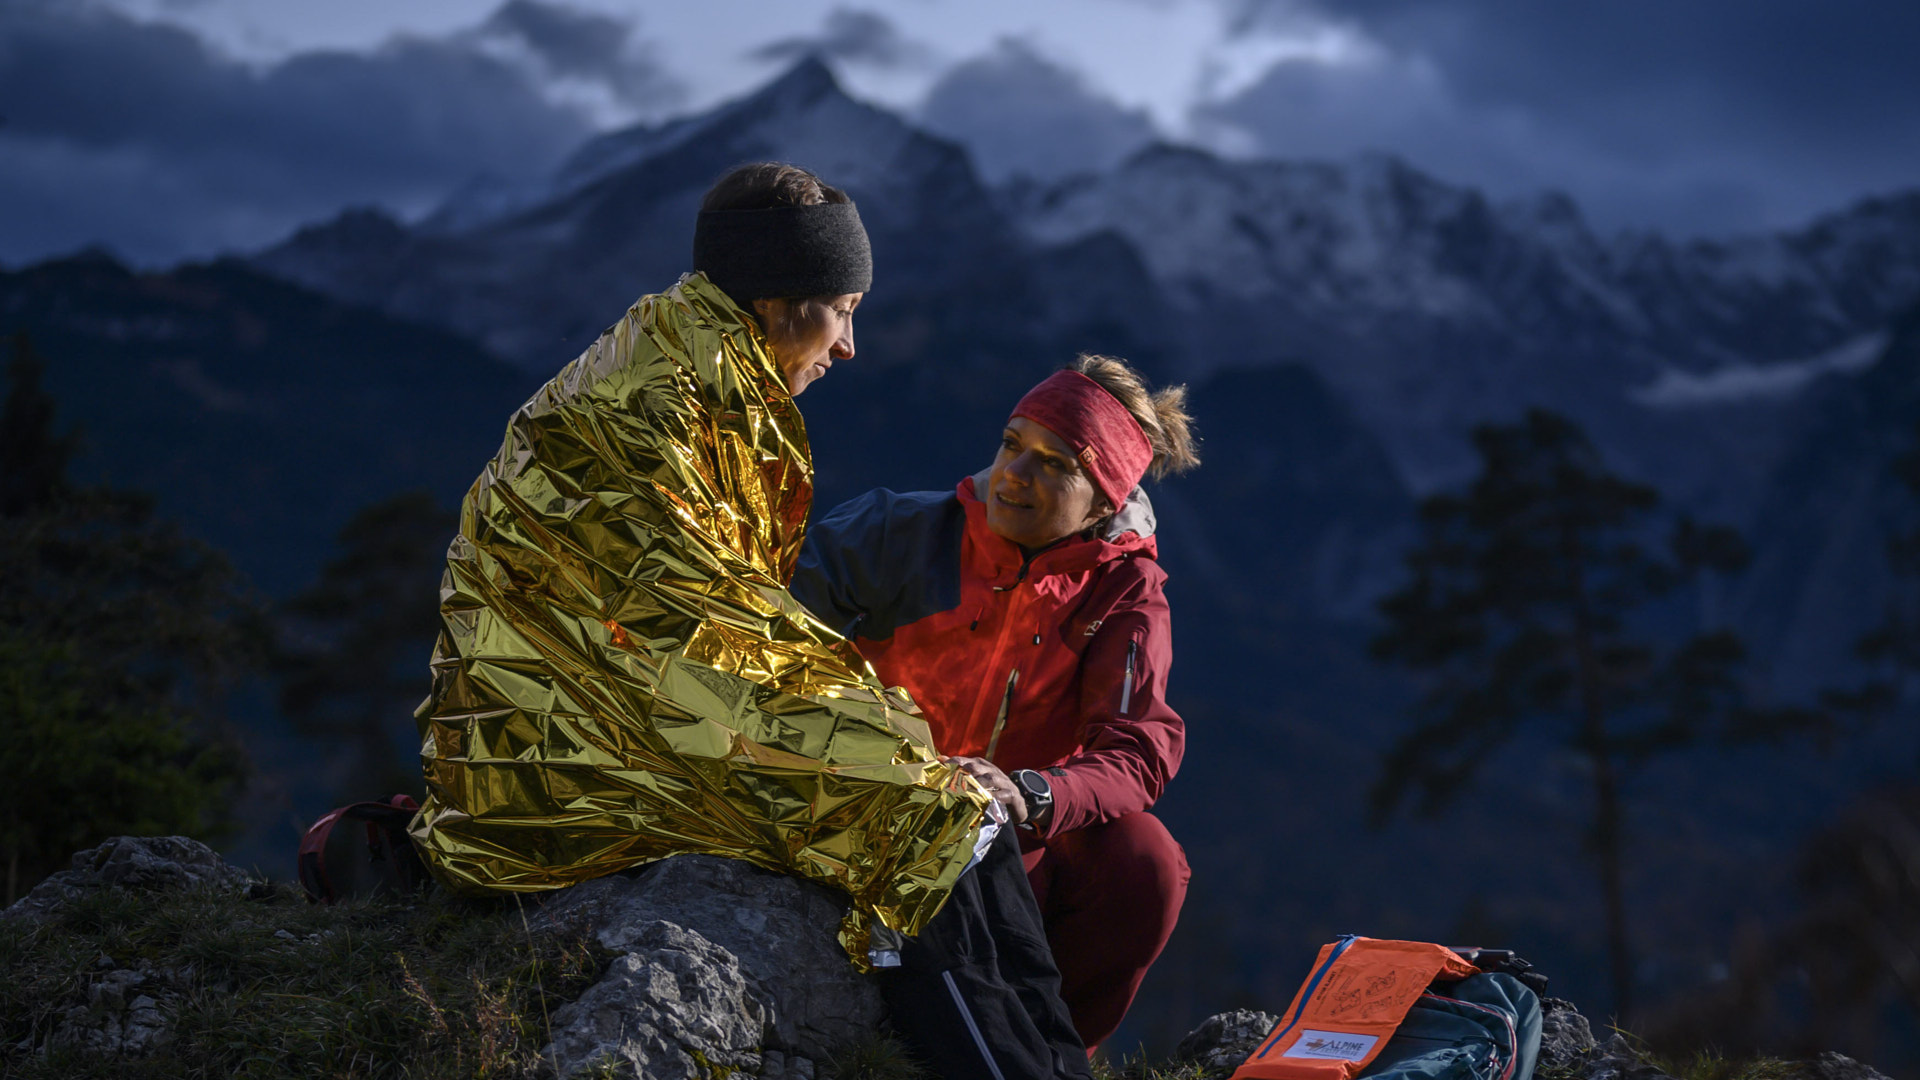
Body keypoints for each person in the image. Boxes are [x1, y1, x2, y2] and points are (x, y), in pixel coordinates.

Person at [406, 162, 994, 961]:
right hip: (548, 772)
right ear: (775, 303)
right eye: (845, 311)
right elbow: (689, 636)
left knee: (916, 777)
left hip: (552, 733)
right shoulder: (655, 405)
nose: (850, 347)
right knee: (922, 813)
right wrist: (885, 742)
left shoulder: (681, 364)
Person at [791, 353, 1200, 1048]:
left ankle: (1047, 1052)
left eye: (1055, 463)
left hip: (1013, 859)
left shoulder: (1123, 593)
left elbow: (1138, 749)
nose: (1015, 473)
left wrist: (1033, 794)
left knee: (1145, 862)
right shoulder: (901, 531)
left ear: (1104, 499)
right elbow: (767, 619)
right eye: (1014, 444)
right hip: (858, 817)